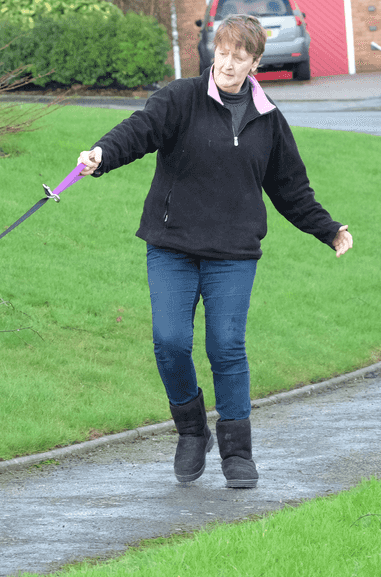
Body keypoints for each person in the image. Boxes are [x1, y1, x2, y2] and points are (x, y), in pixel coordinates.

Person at [77, 14, 353, 489]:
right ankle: (190, 431)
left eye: (238, 55)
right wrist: (102, 154)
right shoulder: (181, 98)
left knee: (225, 346)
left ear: (255, 62)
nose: (227, 63)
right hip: (172, 246)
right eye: (221, 53)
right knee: (169, 340)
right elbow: (139, 130)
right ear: (212, 53)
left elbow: (290, 188)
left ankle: (238, 453)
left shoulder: (269, 119)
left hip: (233, 253)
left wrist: (326, 229)